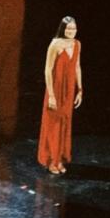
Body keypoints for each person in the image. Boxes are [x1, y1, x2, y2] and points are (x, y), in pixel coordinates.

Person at [37, 15, 83, 174]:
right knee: (53, 125)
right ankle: (51, 160)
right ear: (63, 29)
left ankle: (59, 158)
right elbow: (47, 70)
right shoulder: (55, 44)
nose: (71, 31)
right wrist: (51, 95)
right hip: (56, 89)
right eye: (69, 28)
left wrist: (80, 89)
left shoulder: (77, 44)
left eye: (74, 28)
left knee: (64, 123)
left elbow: (77, 66)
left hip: (69, 89)